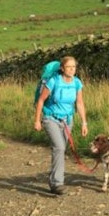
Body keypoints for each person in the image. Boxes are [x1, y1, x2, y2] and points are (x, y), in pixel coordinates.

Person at [33, 55, 88, 195]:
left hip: (68, 120)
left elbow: (79, 103)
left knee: (60, 150)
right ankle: (57, 183)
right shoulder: (53, 81)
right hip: (50, 118)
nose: (71, 69)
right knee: (59, 147)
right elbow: (40, 101)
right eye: (68, 67)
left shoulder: (77, 83)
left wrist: (84, 122)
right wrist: (37, 120)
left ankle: (53, 181)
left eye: (74, 67)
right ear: (62, 68)